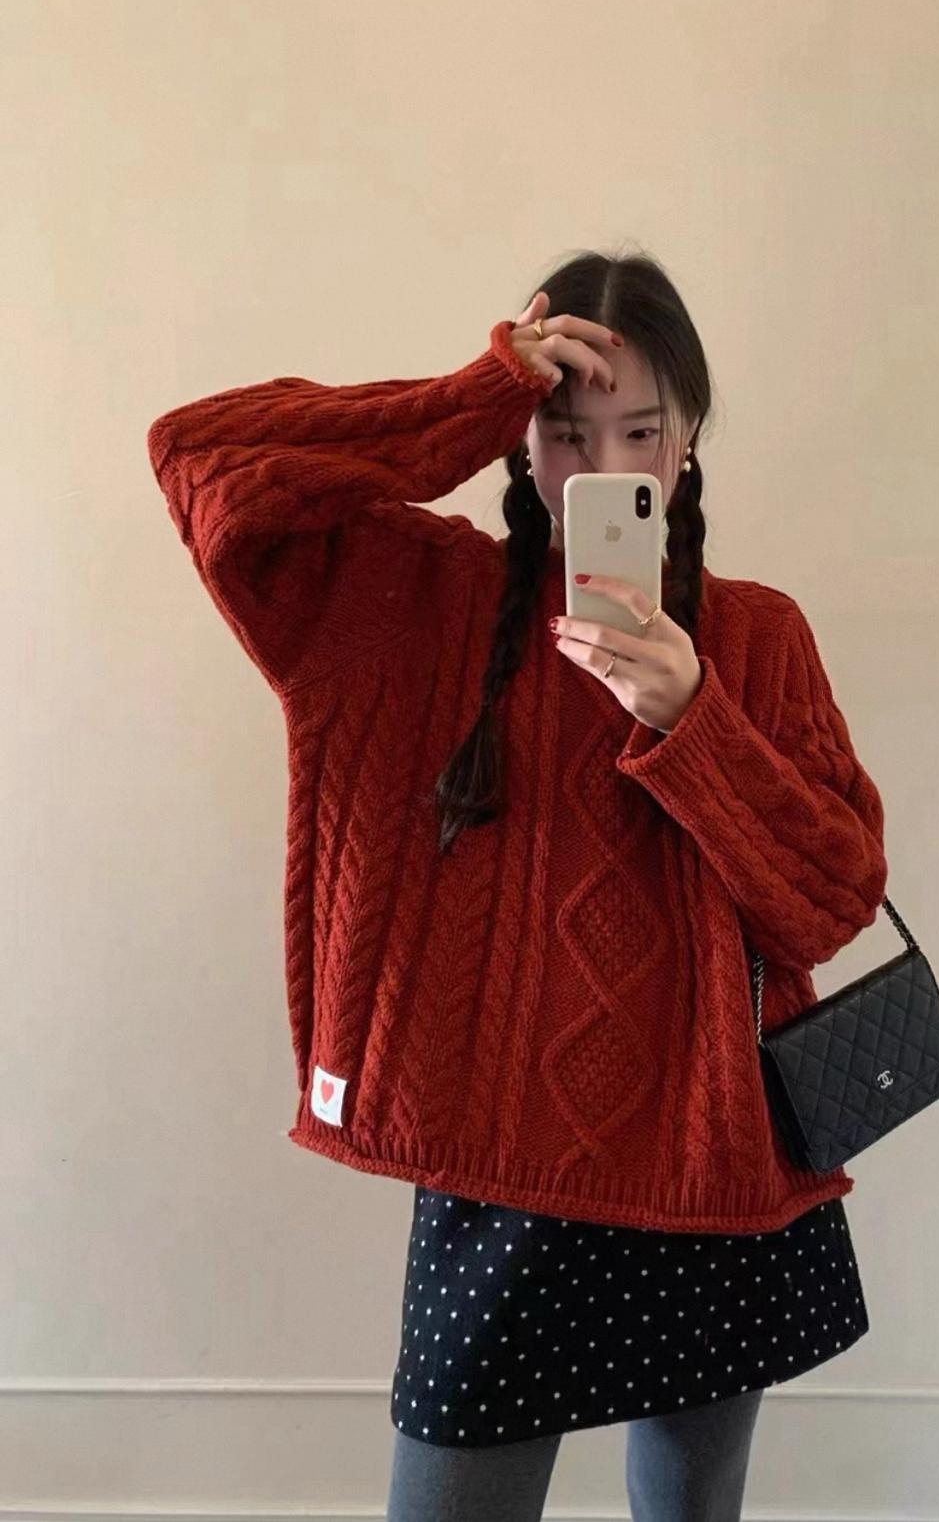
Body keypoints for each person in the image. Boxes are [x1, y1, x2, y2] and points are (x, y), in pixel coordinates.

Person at [146, 248, 885, 1522]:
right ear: (521, 438)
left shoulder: (758, 637)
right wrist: (467, 395)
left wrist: (696, 719)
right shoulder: (416, 602)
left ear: (690, 435)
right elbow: (202, 459)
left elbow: (831, 900)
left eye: (641, 429)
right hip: (495, 1173)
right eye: (565, 429)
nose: (603, 466)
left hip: (713, 1167)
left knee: (691, 1509)